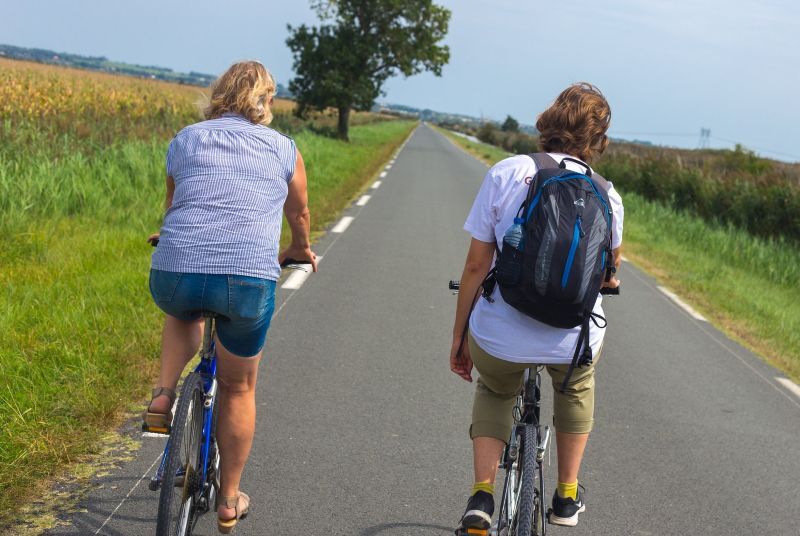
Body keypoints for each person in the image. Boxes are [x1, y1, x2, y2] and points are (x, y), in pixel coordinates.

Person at [142, 60, 317, 533]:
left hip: (177, 269)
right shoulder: (284, 149)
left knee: (183, 310)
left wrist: (171, 236)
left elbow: (177, 205)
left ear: (219, 93)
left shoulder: (185, 139)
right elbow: (299, 215)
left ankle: (163, 395)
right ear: (266, 100)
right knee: (238, 387)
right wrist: (299, 249)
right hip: (246, 281)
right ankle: (228, 499)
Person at [450, 83, 623, 531]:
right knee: (576, 386)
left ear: (547, 123)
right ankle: (566, 497)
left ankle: (482, 497)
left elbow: (476, 266)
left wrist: (459, 336)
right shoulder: (607, 194)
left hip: (500, 336)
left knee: (495, 388)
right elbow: (609, 272)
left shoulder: (507, 172)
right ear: (598, 140)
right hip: (572, 339)